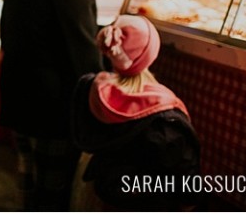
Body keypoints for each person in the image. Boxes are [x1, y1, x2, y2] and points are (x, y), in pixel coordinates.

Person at [0, 0, 103, 211]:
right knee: (53, 193)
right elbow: (83, 55)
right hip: (54, 109)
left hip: (22, 102)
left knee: (30, 186)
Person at [70, 14, 201, 211]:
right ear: (151, 54)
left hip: (103, 196)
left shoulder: (90, 88)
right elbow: (184, 179)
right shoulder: (165, 115)